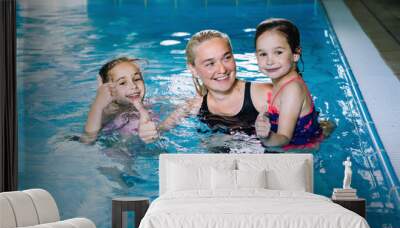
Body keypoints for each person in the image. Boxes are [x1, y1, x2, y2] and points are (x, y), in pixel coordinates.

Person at [139, 30, 272, 143]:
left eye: (226, 58)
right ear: (193, 69)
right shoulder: (194, 106)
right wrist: (149, 133)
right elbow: (158, 132)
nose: (222, 69)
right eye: (210, 64)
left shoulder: (263, 95)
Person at [254, 18, 332, 149]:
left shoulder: (292, 90)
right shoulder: (283, 81)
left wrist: (266, 136)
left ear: (296, 54)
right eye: (263, 54)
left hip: (298, 150)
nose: (269, 61)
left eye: (278, 52)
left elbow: (284, 139)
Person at [81, 57, 156, 144]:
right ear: (109, 90)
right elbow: (87, 140)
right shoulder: (110, 111)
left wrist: (171, 120)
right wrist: (98, 104)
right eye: (123, 83)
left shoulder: (148, 103)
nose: (133, 86)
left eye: (136, 79)